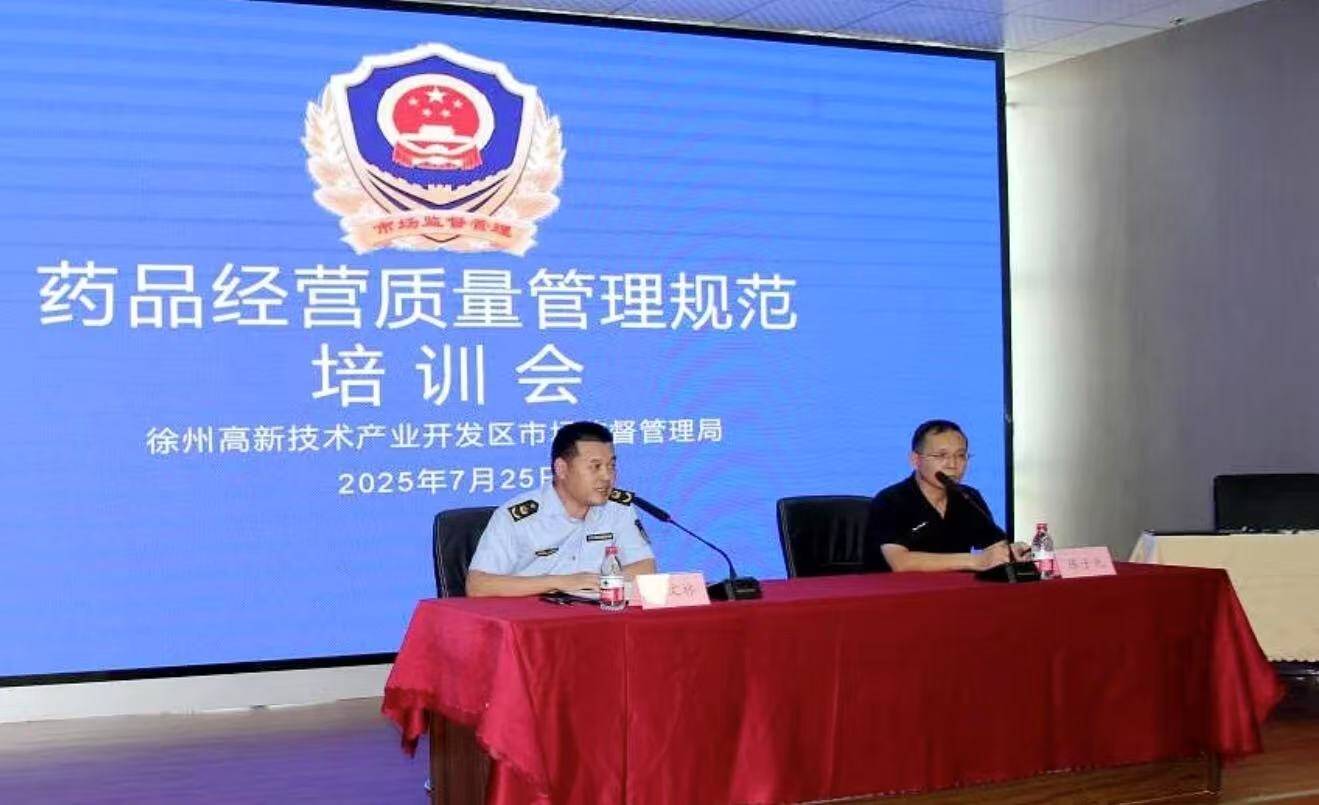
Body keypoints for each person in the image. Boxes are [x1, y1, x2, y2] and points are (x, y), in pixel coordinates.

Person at [466, 421, 657, 597]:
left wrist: (601, 584)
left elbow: (645, 567)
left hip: (597, 615)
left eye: (611, 466)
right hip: (534, 618)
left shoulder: (618, 508)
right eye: (595, 467)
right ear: (562, 469)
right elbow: (477, 586)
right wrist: (560, 583)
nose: (607, 477)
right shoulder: (519, 517)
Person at [863, 419, 1029, 573]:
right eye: (941, 456)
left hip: (956, 590)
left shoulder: (967, 497)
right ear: (915, 460)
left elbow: (994, 545)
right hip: (896, 592)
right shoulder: (890, 501)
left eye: (961, 455)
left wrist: (1010, 553)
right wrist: (976, 561)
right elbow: (901, 562)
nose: (953, 465)